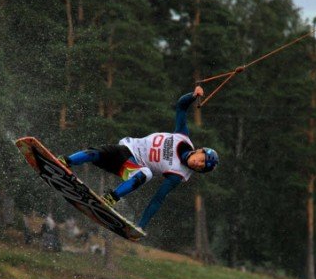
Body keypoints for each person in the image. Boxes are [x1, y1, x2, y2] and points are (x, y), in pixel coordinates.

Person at [58, 86, 219, 230]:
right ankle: (65, 162)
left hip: (130, 169)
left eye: (201, 167)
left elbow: (158, 199)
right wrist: (193, 95)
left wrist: (141, 225)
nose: (199, 164)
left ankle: (110, 198)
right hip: (127, 149)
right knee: (95, 153)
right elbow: (181, 107)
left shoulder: (178, 175)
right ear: (199, 151)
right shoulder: (182, 136)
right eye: (202, 159)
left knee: (146, 173)